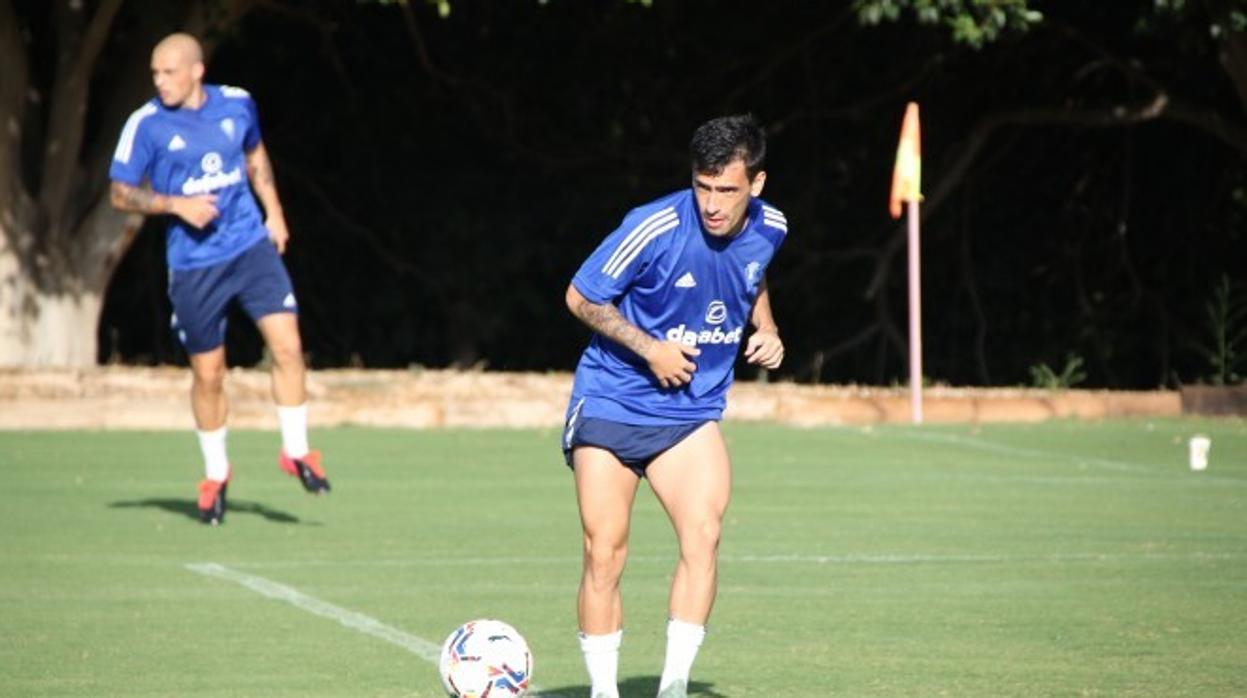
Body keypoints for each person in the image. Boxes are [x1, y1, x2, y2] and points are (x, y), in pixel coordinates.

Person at [562, 114, 786, 698]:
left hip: (689, 414)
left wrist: (768, 329)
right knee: (604, 553)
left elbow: (753, 275)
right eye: (702, 186)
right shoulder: (653, 226)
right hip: (612, 401)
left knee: (703, 536)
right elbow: (581, 296)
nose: (712, 203)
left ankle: (674, 688)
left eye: (727, 190)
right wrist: (649, 348)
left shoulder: (773, 226)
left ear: (755, 185)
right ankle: (604, 691)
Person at [108, 33, 330, 526]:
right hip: (193, 266)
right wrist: (174, 204)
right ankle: (215, 473)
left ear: (196, 71)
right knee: (210, 374)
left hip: (249, 247)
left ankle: (296, 451)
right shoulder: (146, 124)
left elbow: (255, 155)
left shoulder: (237, 104)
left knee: (289, 347)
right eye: (154, 73)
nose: (159, 81)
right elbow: (120, 193)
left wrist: (274, 212)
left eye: (168, 72)